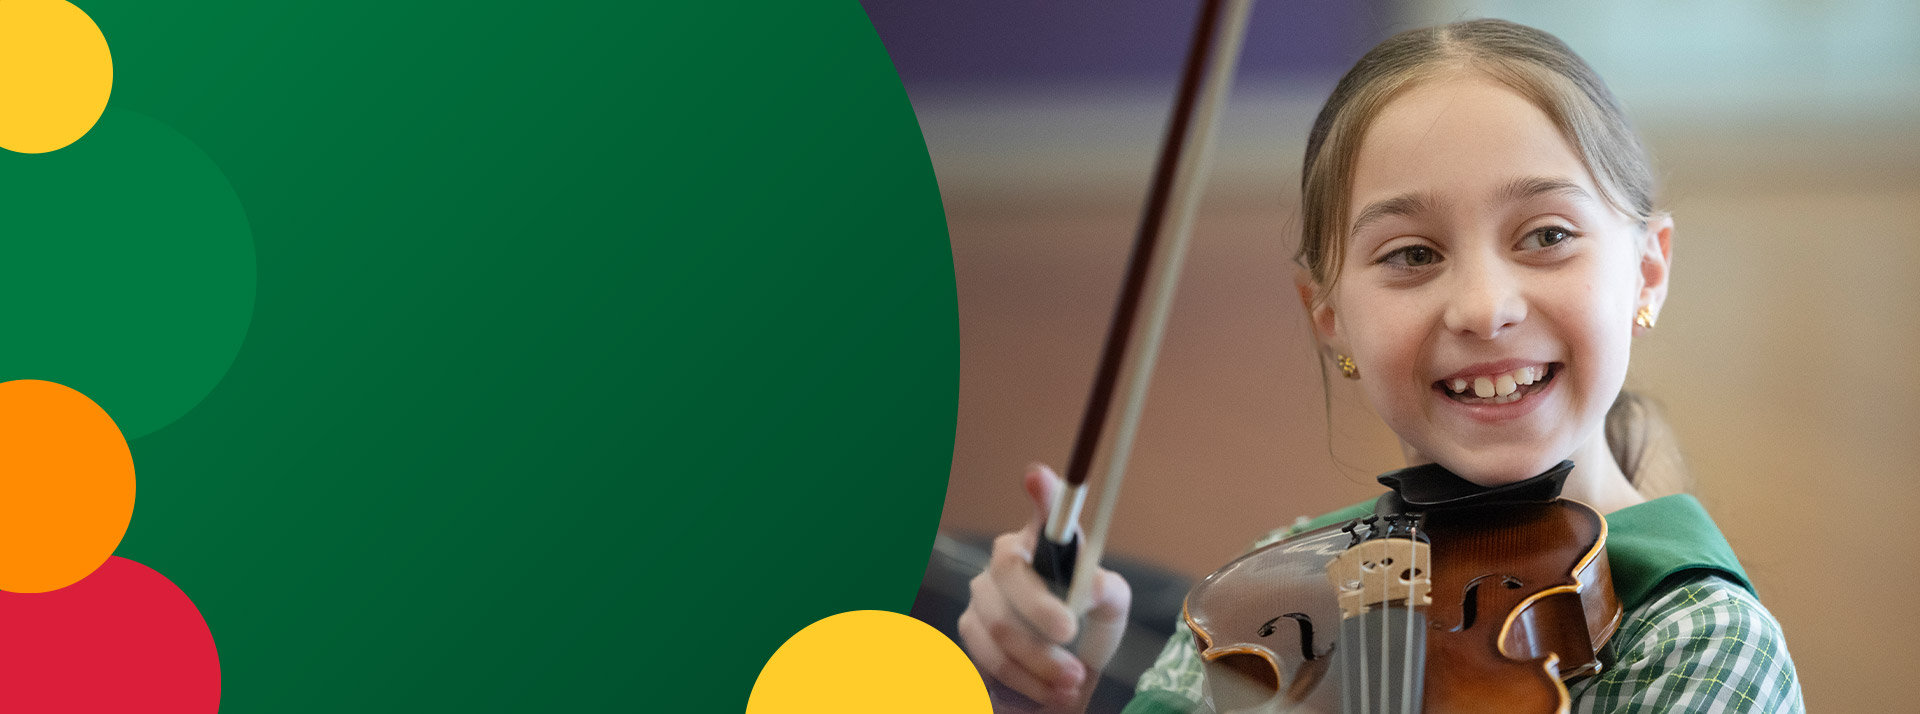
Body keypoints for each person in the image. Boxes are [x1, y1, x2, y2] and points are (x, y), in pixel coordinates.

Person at [955, 18, 1804, 714]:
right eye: (1410, 254)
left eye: (1546, 235)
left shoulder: (1699, 639)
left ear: (1647, 272)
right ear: (1330, 320)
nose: (1482, 306)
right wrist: (1087, 684)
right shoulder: (1273, 594)